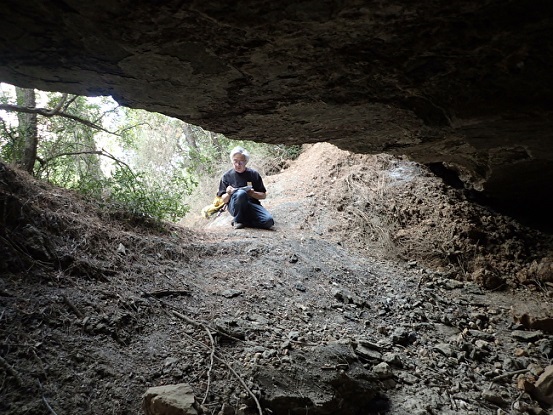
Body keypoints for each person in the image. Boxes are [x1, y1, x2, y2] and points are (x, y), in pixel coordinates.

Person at [217, 146, 274, 229]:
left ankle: (245, 222)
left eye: (241, 162)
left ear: (246, 162)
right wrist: (229, 193)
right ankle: (238, 220)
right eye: (235, 161)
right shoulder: (226, 176)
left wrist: (252, 193)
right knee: (240, 193)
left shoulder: (253, 174)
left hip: (251, 204)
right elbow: (224, 200)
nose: (237, 165)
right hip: (235, 206)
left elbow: (263, 195)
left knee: (268, 221)